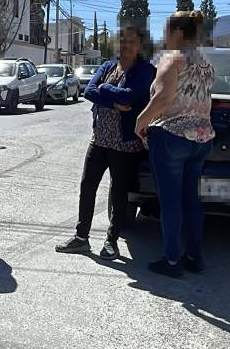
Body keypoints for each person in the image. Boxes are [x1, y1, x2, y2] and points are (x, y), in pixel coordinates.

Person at [55, 24, 156, 260]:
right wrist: (111, 101)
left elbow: (129, 95)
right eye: (122, 41)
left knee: (119, 192)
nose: (125, 45)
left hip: (125, 142)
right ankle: (81, 238)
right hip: (99, 138)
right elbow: (88, 91)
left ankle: (112, 241)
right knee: (87, 185)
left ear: (140, 45)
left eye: (131, 41)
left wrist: (104, 88)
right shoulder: (109, 65)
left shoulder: (145, 70)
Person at [135, 10, 216, 278]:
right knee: (192, 200)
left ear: (179, 32)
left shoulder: (173, 59)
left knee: (170, 202)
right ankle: (194, 256)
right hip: (202, 139)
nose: (164, 37)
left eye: (167, 31)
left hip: (172, 137)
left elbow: (162, 98)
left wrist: (140, 121)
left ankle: (171, 261)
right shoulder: (205, 62)